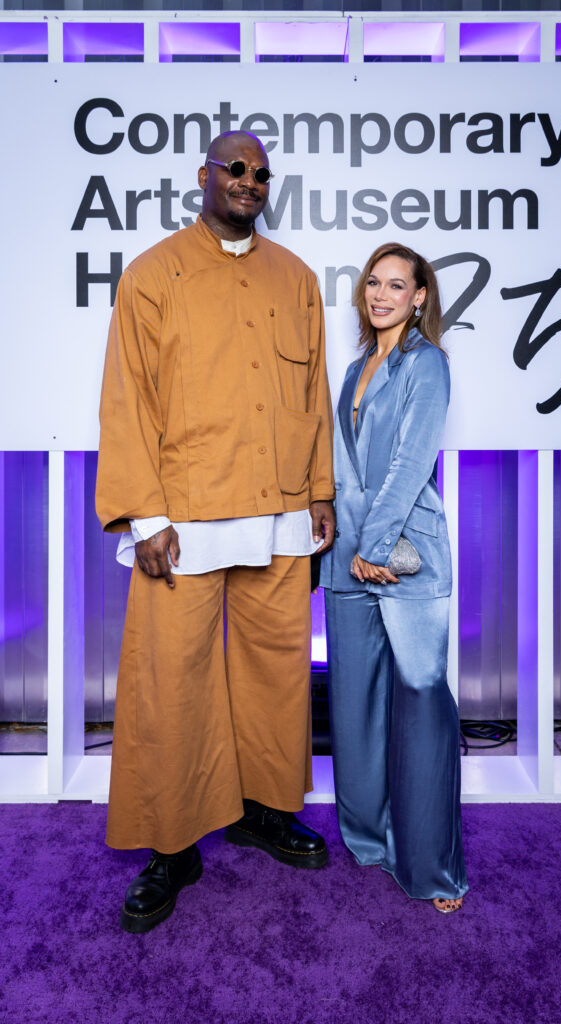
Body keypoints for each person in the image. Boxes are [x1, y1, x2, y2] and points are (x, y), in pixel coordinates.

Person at [96, 131, 336, 933]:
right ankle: (171, 844)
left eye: (261, 173)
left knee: (277, 672)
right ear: (203, 176)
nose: (249, 180)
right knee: (172, 681)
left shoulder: (295, 278)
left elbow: (313, 396)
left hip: (280, 508)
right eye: (235, 168)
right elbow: (127, 397)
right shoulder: (152, 273)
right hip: (183, 515)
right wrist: (146, 514)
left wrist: (321, 493)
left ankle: (263, 810)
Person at [319, 243, 468, 913]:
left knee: (420, 701)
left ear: (419, 297)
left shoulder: (426, 362)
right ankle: (370, 840)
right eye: (373, 283)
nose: (381, 295)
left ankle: (433, 869)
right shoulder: (355, 369)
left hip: (404, 555)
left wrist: (374, 545)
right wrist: (338, 545)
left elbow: (412, 461)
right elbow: (340, 465)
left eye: (396, 285)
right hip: (347, 558)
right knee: (353, 709)